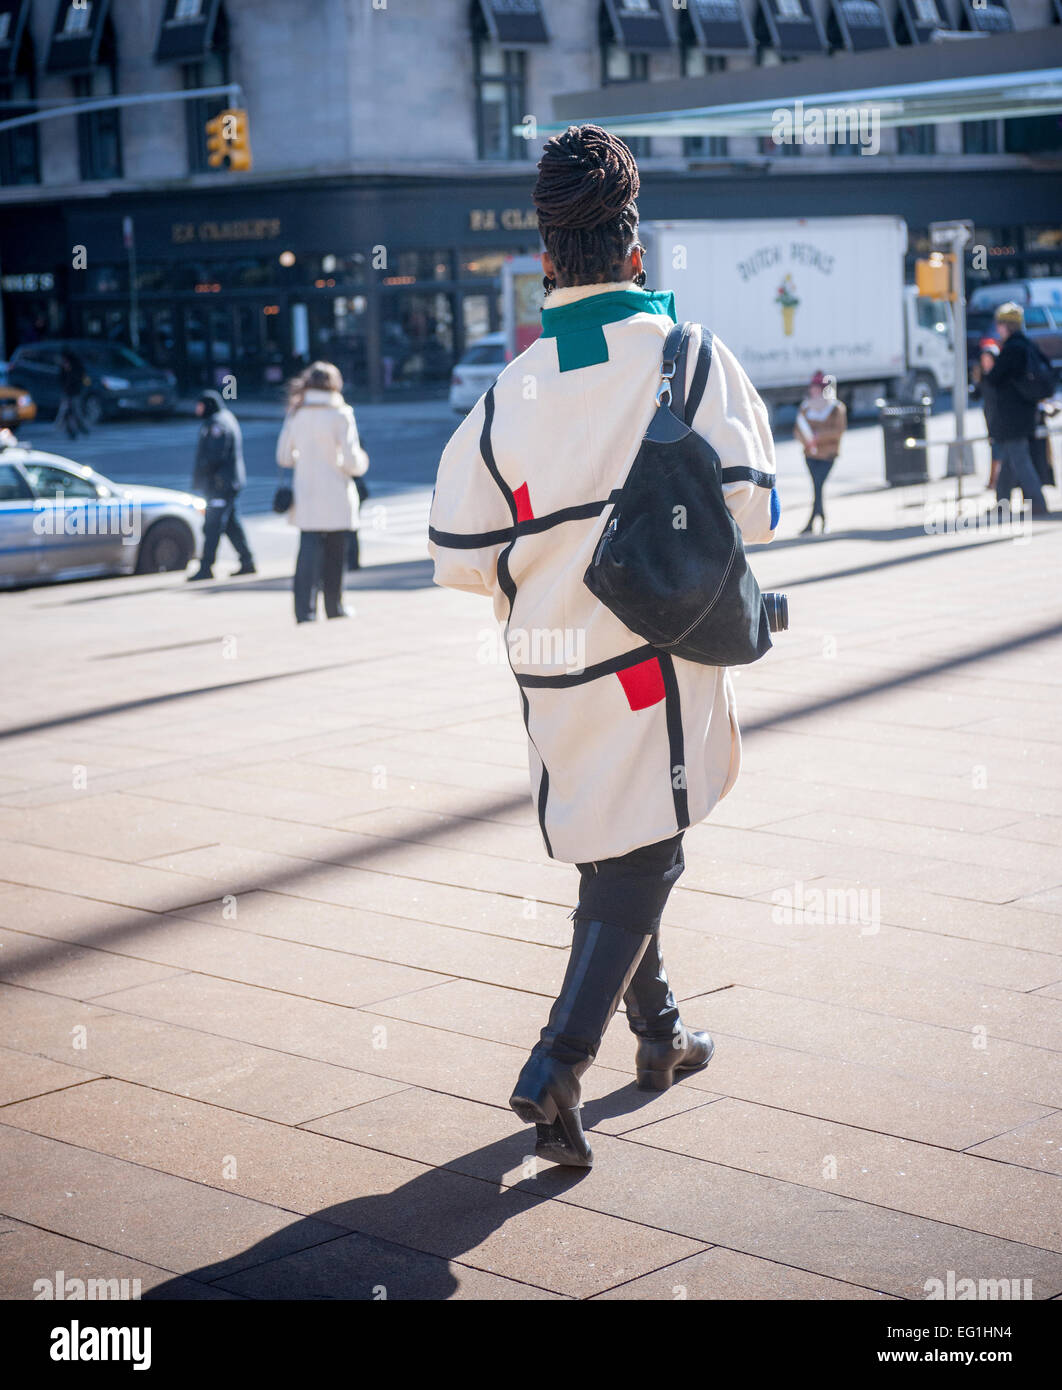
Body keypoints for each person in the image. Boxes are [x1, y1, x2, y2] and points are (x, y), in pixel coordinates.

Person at [428, 124, 778, 1168]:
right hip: (654, 662)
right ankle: (558, 1062)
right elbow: (754, 514)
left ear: (547, 259)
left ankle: (660, 1033)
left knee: (616, 844)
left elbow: (456, 552)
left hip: (549, 669)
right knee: (649, 849)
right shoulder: (690, 357)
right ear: (638, 251)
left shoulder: (509, 392)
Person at [276, 361, 368, 622]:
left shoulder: (296, 413)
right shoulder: (341, 414)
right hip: (336, 491)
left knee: (307, 550)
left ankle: (304, 611)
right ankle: (334, 606)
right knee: (336, 553)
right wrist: (361, 461)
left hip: (306, 493)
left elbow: (283, 456)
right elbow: (352, 461)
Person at [984, 303, 1050, 517]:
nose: (998, 328)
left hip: (1012, 415)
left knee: (1019, 459)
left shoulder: (1012, 349)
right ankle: (1002, 504)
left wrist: (986, 372)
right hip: (1026, 411)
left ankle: (1038, 503)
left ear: (1006, 326)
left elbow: (994, 379)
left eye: (1000, 324)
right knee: (1011, 458)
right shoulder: (1028, 345)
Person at [188, 390, 256, 581]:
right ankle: (247, 561)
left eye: (199, 405)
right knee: (231, 525)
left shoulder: (217, 424)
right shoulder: (224, 418)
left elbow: (215, 456)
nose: (197, 409)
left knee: (212, 526)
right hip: (227, 483)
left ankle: (206, 567)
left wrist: (204, 475)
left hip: (220, 485)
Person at [794, 370, 846, 534]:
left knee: (818, 486)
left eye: (817, 388)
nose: (814, 391)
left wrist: (818, 438)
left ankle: (814, 522)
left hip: (827, 455)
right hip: (810, 454)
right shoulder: (806, 406)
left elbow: (838, 431)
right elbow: (798, 429)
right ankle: (819, 521)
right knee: (817, 487)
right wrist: (807, 441)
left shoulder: (835, 407)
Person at [976, 339, 1004, 495]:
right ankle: (993, 481)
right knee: (995, 449)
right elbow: (975, 395)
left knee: (999, 451)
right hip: (990, 417)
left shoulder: (998, 378)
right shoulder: (984, 378)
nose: (986, 363)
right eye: (983, 360)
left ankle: (994, 481)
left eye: (989, 360)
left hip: (1000, 419)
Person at [55, 349, 90, 440]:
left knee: (76, 411)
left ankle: (81, 429)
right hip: (67, 392)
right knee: (68, 412)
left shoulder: (75, 365)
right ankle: (71, 431)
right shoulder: (64, 366)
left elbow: (78, 377)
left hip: (74, 391)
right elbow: (61, 378)